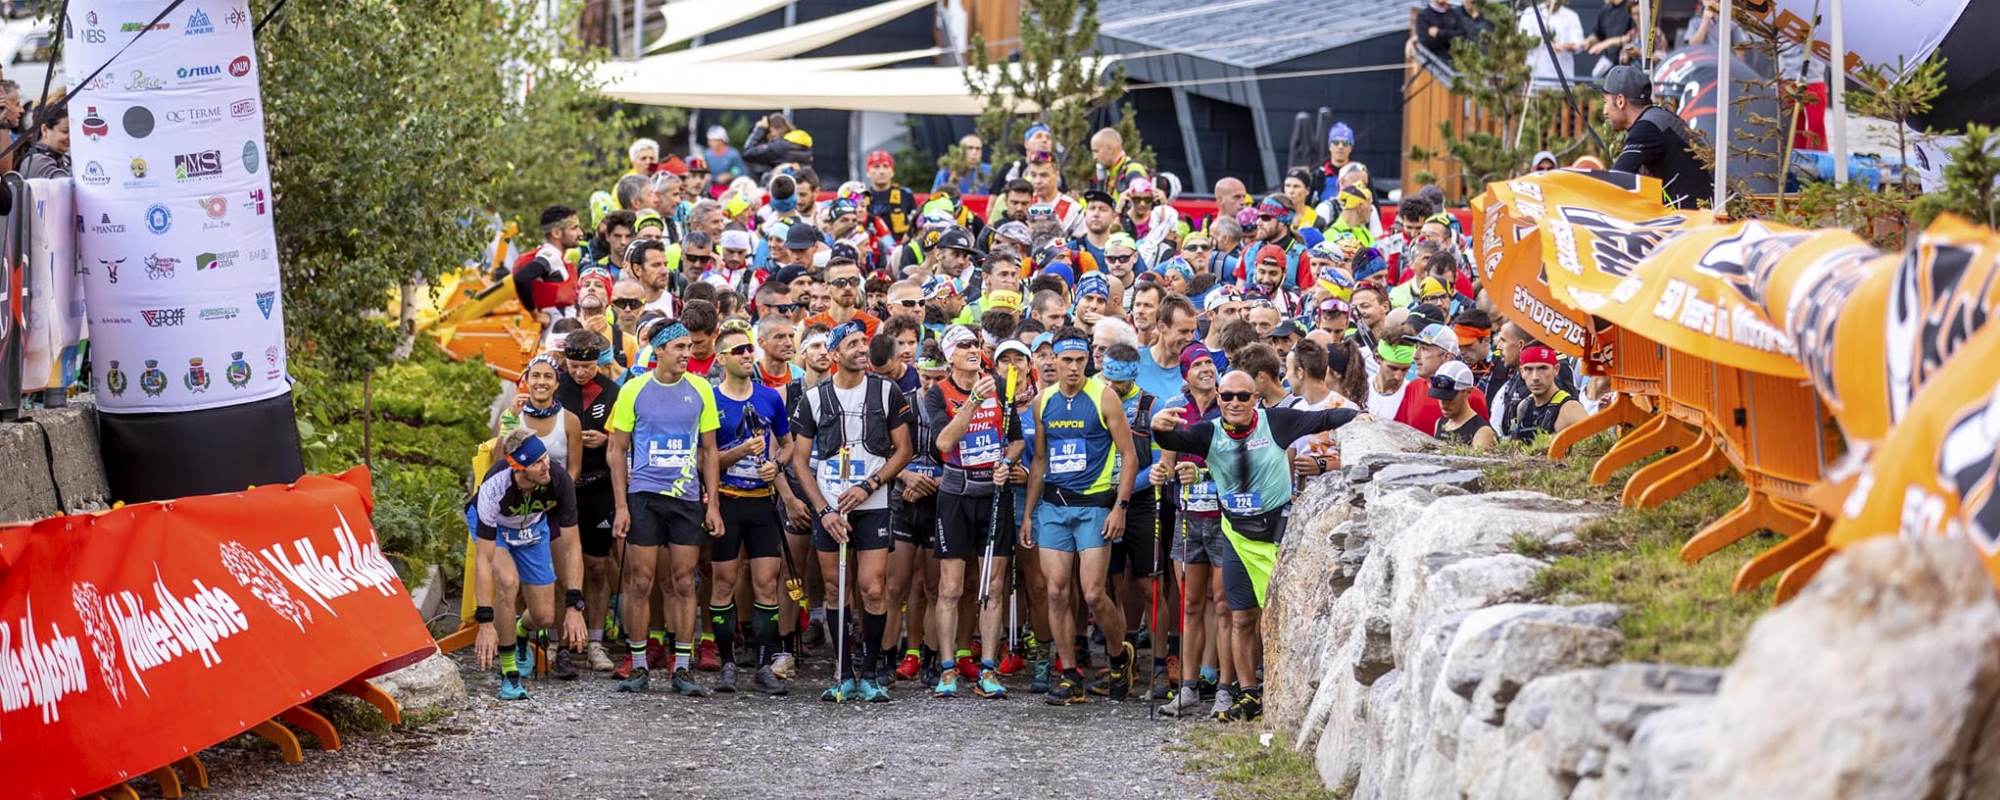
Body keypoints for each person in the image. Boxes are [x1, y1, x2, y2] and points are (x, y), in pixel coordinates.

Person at [1150, 371, 1360, 722]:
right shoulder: (1209, 432)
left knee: (1278, 618)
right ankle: (1247, 693)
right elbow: (1174, 439)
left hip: (1276, 533)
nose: (1235, 403)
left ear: (1255, 399)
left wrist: (1360, 417)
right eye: (1228, 396)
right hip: (1237, 535)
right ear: (1218, 398)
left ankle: (1280, 686)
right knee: (1241, 616)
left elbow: (1323, 417)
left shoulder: (1276, 422)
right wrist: (1158, 428)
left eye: (1243, 397)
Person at [789, 320, 917, 703]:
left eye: (864, 342)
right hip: (830, 503)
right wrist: (823, 509)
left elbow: (904, 450)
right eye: (853, 343)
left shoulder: (885, 390)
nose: (864, 349)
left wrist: (870, 485)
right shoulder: (814, 398)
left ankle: (873, 669)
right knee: (833, 586)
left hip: (872, 502)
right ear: (834, 354)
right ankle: (842, 670)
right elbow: (798, 461)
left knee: (872, 587)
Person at [1019, 329, 1141, 705]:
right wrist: (1028, 515)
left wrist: (1120, 507)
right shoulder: (1043, 402)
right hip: (1054, 506)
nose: (1072, 368)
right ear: (1052, 360)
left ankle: (1119, 657)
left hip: (1093, 506)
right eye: (1065, 360)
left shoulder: (1103, 397)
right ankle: (1069, 673)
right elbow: (1039, 461)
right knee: (1056, 591)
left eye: (1079, 360)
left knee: (1092, 593)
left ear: (1089, 360)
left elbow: (1130, 456)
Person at [607, 317, 726, 695]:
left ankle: (682, 666)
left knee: (683, 581)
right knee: (640, 581)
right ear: (659, 350)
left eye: (690, 348)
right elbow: (616, 450)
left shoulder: (701, 389)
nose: (687, 355)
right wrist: (621, 506)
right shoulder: (634, 389)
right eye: (680, 348)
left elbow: (709, 451)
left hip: (685, 497)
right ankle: (640, 664)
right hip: (644, 494)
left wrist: (713, 505)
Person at [925, 326, 1026, 698]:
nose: (972, 350)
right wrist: (971, 403)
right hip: (955, 493)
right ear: (950, 355)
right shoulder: (938, 393)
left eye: (976, 344)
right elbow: (944, 443)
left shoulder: (1000, 386)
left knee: (994, 586)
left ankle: (988, 669)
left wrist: (1008, 460)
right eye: (963, 345)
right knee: (950, 587)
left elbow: (1016, 438)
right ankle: (948, 668)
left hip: (994, 492)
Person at [708, 322, 798, 695]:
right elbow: (706, 458)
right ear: (722, 358)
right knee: (724, 584)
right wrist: (739, 452)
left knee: (765, 584)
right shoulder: (710, 399)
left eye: (750, 349)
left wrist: (776, 466)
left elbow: (789, 445)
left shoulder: (769, 397)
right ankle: (727, 662)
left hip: (762, 503)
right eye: (739, 350)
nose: (747, 355)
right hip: (728, 501)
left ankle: (763, 664)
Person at [471, 429, 587, 701]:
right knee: (508, 582)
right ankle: (509, 672)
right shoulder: (494, 487)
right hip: (497, 529)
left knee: (545, 616)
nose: (546, 465)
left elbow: (572, 546)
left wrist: (574, 604)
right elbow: (484, 561)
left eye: (545, 457)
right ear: (518, 468)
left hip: (532, 526)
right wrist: (485, 622)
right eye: (537, 463)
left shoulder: (557, 478)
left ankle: (520, 631)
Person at [553, 332, 623, 672]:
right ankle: (560, 640)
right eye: (574, 366)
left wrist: (605, 439)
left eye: (588, 366)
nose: (580, 373)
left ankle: (595, 641)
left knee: (597, 566)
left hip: (599, 486)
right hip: (562, 487)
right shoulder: (556, 386)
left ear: (600, 361)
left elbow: (627, 435)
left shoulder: (612, 391)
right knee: (562, 565)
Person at [1603, 64, 1713, 210]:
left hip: (1697, 221)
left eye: (1605, 102)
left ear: (1620, 101)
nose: (1604, 111)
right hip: (1702, 212)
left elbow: (1615, 180)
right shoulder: (1657, 118)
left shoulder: (1647, 128)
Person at [513, 205, 584, 319]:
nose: (580, 233)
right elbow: (522, 278)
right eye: (574, 228)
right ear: (556, 233)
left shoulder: (558, 257)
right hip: (556, 329)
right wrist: (535, 314)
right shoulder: (550, 255)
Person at [1505, 345, 1587, 441]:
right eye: (1529, 369)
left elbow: (1596, 445)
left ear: (1556, 369)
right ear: (1522, 372)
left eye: (1543, 368)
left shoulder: (1570, 409)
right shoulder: (1524, 406)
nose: (1535, 377)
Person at [804, 258, 883, 338]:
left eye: (854, 281)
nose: (848, 287)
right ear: (827, 287)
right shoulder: (808, 326)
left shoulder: (876, 326)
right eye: (840, 282)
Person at [1430, 360, 1497, 449]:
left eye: (1450, 398)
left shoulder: (1482, 432)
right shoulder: (1440, 423)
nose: (1444, 403)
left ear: (1468, 391)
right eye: (1440, 397)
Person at [1519, 0, 1585, 84]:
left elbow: (1577, 44)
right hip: (1535, 79)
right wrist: (1545, 41)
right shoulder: (1530, 13)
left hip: (1562, 80)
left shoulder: (1571, 16)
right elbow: (1523, 40)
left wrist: (1564, 47)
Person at [865, 150, 918, 242]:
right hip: (871, 247)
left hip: (901, 246)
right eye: (876, 167)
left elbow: (916, 224)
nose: (881, 171)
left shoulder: (905, 195)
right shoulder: (863, 198)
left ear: (892, 171)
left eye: (885, 166)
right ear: (868, 172)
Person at [1089, 127, 1148, 203]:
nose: (1094, 157)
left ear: (1110, 148)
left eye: (1096, 151)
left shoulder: (1133, 171)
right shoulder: (1110, 174)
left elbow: (1140, 208)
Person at [744, 113, 814, 173]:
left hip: (782, 186)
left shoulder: (779, 146)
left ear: (773, 129)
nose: (768, 137)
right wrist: (785, 172)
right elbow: (797, 167)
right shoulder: (800, 143)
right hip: (797, 184)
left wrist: (760, 129)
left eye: (768, 132)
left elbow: (748, 153)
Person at [19, 103, 67, 180]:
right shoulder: (36, 161)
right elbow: (65, 186)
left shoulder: (63, 157)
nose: (70, 137)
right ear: (45, 130)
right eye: (65, 131)